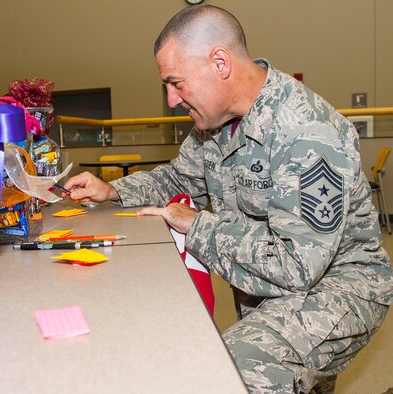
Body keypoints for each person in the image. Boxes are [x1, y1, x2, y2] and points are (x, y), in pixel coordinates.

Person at [62, 5, 393, 393]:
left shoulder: (306, 131)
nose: (171, 99)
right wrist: (114, 189)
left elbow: (297, 266)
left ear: (219, 62)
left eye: (176, 82)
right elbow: (178, 177)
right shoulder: (213, 124)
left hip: (339, 287)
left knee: (230, 372)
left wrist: (196, 224)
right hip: (266, 286)